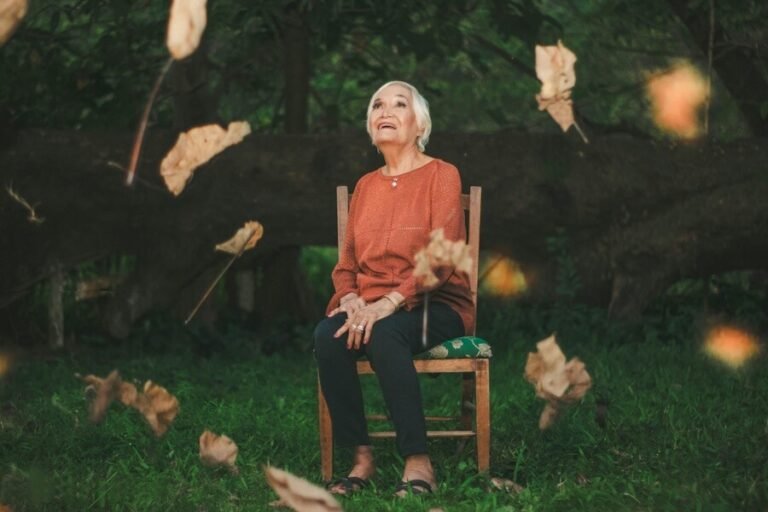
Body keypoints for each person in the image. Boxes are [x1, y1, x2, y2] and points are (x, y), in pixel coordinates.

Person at [314, 80, 474, 497]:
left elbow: (440, 261)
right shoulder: (365, 186)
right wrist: (350, 299)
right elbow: (346, 264)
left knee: (386, 334)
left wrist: (388, 302)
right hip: (372, 305)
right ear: (370, 126)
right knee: (327, 336)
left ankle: (418, 461)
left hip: (437, 302)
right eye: (377, 105)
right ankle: (361, 458)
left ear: (419, 124)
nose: (385, 111)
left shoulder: (442, 174)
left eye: (399, 104)